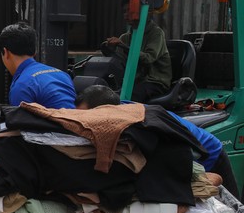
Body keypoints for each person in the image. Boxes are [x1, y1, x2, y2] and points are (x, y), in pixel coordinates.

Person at [76, 84, 240, 199]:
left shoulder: (140, 121)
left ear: (106, 110)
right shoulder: (119, 110)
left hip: (207, 152)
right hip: (189, 151)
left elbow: (184, 153)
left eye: (88, 115)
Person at [101, 0, 171, 102]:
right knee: (103, 91)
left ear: (142, 12)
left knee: (128, 97)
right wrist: (110, 50)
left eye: (130, 10)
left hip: (154, 81)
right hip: (134, 80)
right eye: (124, 11)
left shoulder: (156, 33)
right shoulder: (125, 37)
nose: (126, 14)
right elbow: (120, 62)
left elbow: (148, 58)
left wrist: (124, 46)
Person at [0, 22, 76, 109]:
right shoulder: (63, 75)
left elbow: (21, 122)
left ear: (5, 52)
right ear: (35, 51)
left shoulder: (22, 86)